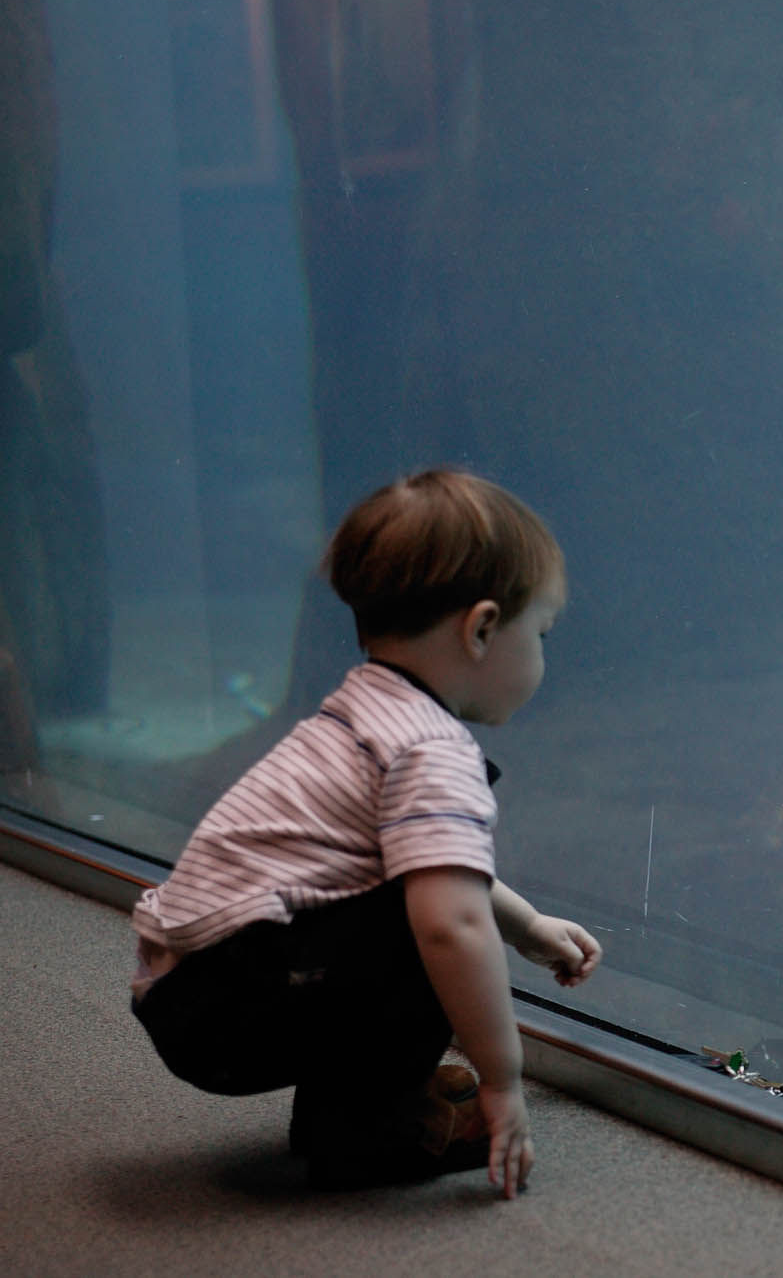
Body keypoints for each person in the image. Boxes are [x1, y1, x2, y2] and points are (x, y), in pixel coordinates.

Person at [130, 469, 601, 1195]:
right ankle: (372, 1134)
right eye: (538, 632)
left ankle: (343, 1119)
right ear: (480, 628)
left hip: (193, 988)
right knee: (432, 932)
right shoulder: (430, 748)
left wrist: (528, 927)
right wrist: (504, 1081)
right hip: (228, 1004)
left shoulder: (364, 708)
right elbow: (449, 919)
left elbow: (422, 865)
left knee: (414, 906)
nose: (542, 656)